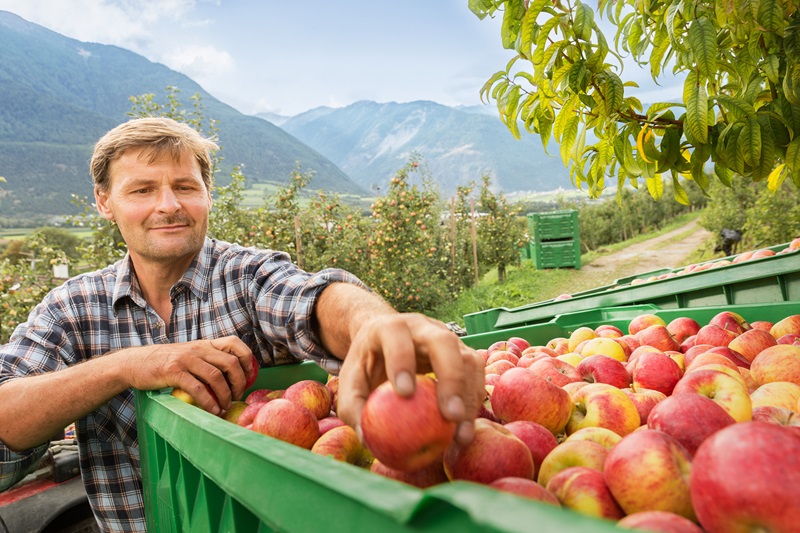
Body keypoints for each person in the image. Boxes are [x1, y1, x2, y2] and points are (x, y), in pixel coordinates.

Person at [0, 117, 484, 532]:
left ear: (208, 194)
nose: (168, 205)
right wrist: (124, 367)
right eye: (142, 190)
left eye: (186, 187)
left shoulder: (245, 276)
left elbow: (310, 299)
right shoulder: (72, 308)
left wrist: (373, 323)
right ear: (104, 202)